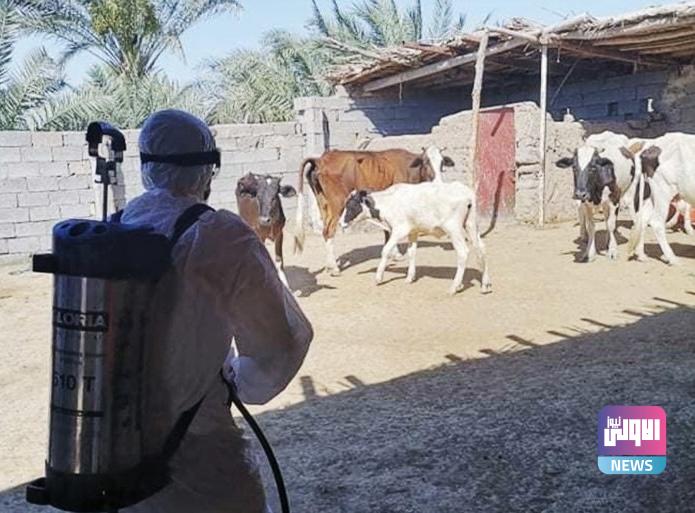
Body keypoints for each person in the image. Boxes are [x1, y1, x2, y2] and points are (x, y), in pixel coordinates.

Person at [121, 109, 313, 513]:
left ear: (145, 166)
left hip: (116, 454)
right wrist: (236, 382)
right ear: (208, 170)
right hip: (200, 455)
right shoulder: (221, 235)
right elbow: (283, 342)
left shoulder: (115, 227)